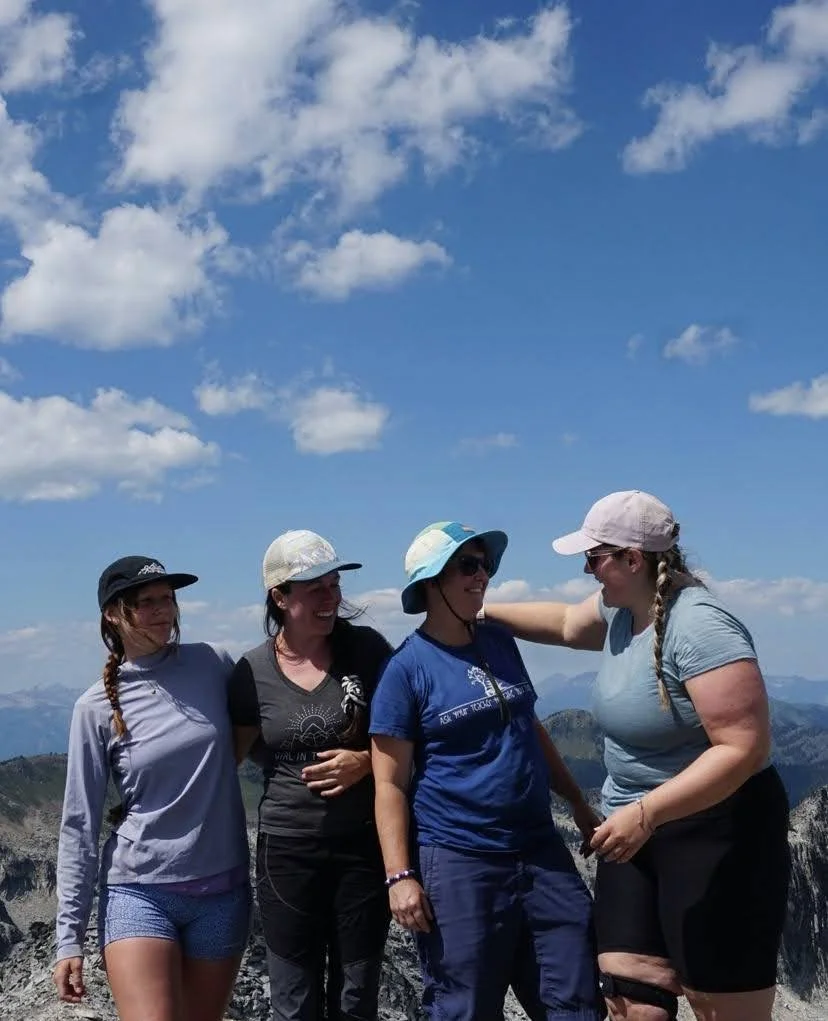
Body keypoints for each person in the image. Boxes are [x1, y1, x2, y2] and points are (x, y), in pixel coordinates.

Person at [482, 491, 791, 1021]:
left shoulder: (699, 626)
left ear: (633, 558)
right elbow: (561, 624)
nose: (585, 568)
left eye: (594, 556)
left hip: (717, 832)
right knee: (629, 1002)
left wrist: (647, 814)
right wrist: (476, 612)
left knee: (720, 1005)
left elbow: (744, 747)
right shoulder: (624, 611)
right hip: (633, 828)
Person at [369, 521, 604, 1021]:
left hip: (539, 846)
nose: (483, 576)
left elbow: (530, 728)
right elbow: (388, 783)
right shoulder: (405, 671)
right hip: (459, 857)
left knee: (576, 994)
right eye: (467, 566)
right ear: (431, 582)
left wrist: (578, 803)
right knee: (465, 1005)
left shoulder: (498, 641)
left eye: (485, 565)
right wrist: (399, 876)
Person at [53, 556, 251, 1021]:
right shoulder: (95, 706)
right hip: (139, 892)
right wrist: (69, 938)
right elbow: (79, 825)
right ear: (112, 614)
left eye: (168, 599)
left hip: (224, 889)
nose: (164, 611)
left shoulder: (212, 663)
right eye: (147, 603)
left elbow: (262, 732)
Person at [229, 529, 393, 1021]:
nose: (331, 598)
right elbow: (237, 756)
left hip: (362, 845)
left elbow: (404, 736)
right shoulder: (251, 672)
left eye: (334, 585)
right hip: (287, 851)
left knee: (356, 995)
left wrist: (365, 760)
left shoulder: (366, 650)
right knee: (294, 997)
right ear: (279, 597)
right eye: (315, 588)